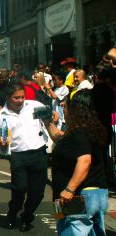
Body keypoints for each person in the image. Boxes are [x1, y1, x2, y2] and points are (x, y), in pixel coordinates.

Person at [43, 89, 108, 235]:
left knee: (69, 229)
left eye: (66, 104)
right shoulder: (87, 130)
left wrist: (69, 189)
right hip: (96, 194)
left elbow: (84, 161)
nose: (62, 105)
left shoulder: (78, 134)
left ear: (75, 110)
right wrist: (47, 122)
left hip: (78, 196)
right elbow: (59, 138)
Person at [0, 81, 49, 232]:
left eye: (22, 97)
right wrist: (2, 144)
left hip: (39, 152)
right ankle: (12, 212)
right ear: (8, 97)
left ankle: (27, 216)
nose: (20, 100)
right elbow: (1, 144)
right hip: (18, 155)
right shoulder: (1, 117)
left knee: (37, 192)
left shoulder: (34, 105)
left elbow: (49, 119)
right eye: (16, 98)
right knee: (19, 188)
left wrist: (54, 117)